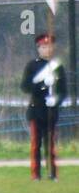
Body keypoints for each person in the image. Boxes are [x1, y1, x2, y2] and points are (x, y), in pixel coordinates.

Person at [21, 33, 67, 181]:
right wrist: (41, 84)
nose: (47, 49)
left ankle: (53, 173)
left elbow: (64, 91)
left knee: (51, 145)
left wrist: (56, 100)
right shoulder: (32, 66)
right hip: (36, 110)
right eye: (44, 47)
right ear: (38, 48)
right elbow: (25, 87)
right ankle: (36, 174)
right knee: (36, 145)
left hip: (51, 111)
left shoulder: (57, 67)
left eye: (49, 46)